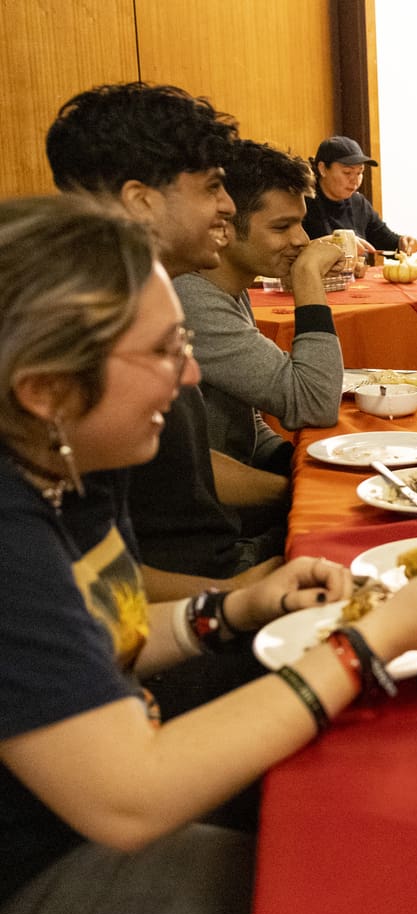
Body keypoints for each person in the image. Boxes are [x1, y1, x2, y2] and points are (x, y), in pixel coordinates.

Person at [0, 195, 417, 914]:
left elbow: (84, 644)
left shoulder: (69, 464)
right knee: (356, 876)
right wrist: (369, 640)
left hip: (76, 815)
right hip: (41, 866)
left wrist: (231, 609)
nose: (188, 378)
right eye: (162, 352)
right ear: (45, 390)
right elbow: (129, 797)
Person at [46, 82, 287, 599]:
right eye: (211, 188)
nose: (227, 206)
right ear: (140, 201)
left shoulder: (147, 301)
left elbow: (184, 468)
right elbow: (91, 577)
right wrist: (233, 600)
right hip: (192, 601)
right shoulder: (87, 340)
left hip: (218, 578)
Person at [175, 139, 345, 476]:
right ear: (223, 226)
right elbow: (314, 403)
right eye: (282, 227)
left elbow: (247, 419)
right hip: (220, 519)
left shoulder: (231, 288)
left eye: (301, 223)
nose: (301, 240)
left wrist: (292, 468)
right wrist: (308, 278)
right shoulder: (190, 301)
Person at [300, 135, 417, 257]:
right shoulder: (302, 203)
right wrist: (335, 242)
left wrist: (402, 243)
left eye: (359, 172)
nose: (355, 180)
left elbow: (384, 240)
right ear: (323, 169)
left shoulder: (359, 203)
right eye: (347, 172)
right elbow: (292, 253)